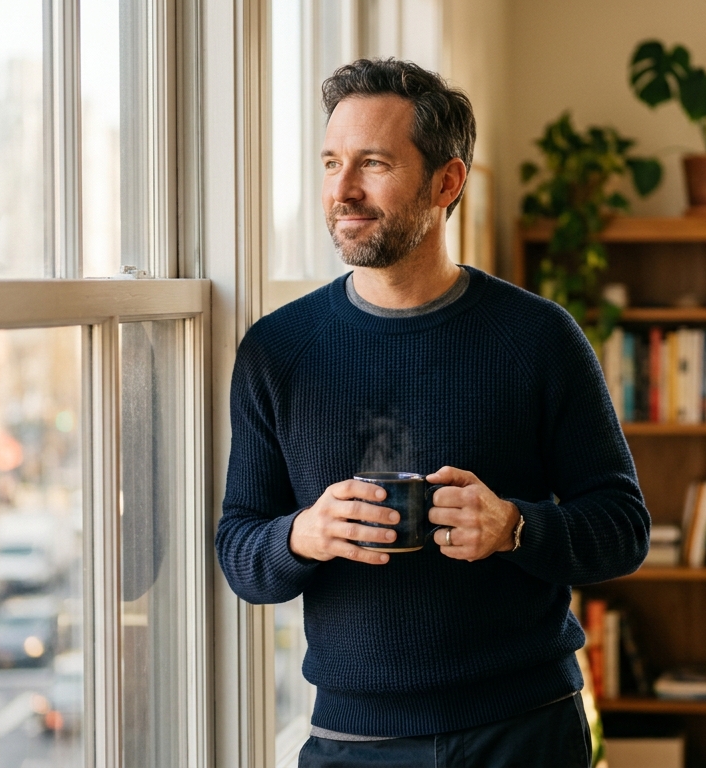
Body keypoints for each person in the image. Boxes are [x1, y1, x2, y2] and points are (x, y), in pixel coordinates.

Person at [215, 58, 650, 768]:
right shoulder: (277, 351)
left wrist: (515, 526)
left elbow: (623, 529)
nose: (343, 191)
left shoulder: (539, 338)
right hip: (353, 744)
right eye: (332, 162)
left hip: (526, 731)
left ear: (447, 183)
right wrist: (303, 533)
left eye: (374, 164)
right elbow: (240, 552)